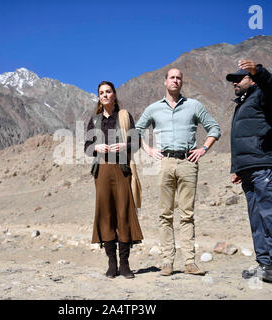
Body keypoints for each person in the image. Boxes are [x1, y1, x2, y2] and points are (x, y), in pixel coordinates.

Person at [135, 68, 221, 276]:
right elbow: (135, 131)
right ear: (165, 82)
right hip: (164, 162)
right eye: (172, 77)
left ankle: (190, 262)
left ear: (182, 82)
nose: (175, 80)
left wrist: (203, 149)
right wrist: (149, 150)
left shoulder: (194, 106)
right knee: (165, 214)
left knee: (187, 214)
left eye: (179, 78)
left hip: (188, 163)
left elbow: (215, 128)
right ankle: (167, 262)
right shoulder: (154, 108)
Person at [226, 59, 272, 283]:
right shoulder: (243, 103)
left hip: (267, 166)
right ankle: (265, 263)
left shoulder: (265, 95)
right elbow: (242, 137)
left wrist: (260, 72)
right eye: (233, 80)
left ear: (252, 78)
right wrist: (237, 168)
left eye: (239, 78)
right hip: (249, 170)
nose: (234, 82)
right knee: (257, 219)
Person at [84, 81, 144, 279]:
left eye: (108, 92)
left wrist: (124, 146)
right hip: (101, 171)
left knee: (124, 213)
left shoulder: (125, 117)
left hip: (122, 170)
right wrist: (96, 148)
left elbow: (136, 143)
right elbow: (86, 147)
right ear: (99, 97)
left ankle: (125, 264)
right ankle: (112, 263)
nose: (105, 95)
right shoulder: (94, 120)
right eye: (101, 93)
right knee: (106, 214)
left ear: (115, 95)